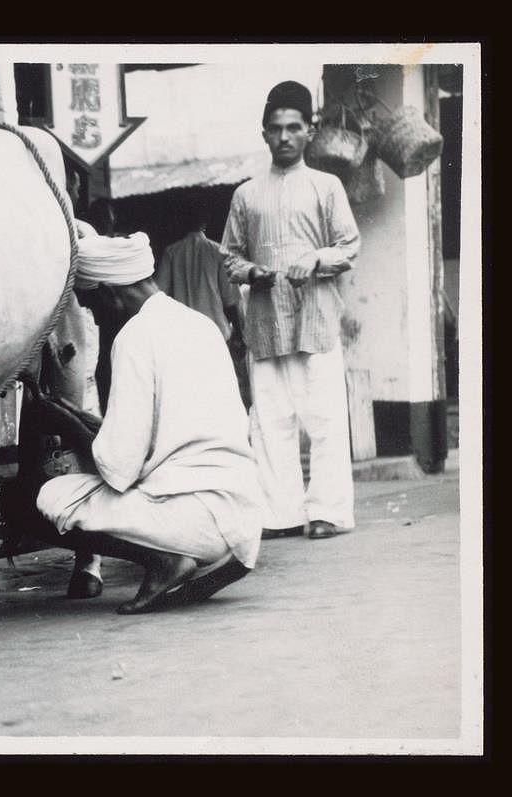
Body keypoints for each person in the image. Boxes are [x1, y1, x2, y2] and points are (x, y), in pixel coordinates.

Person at [35, 230, 264, 613]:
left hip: (196, 519)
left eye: (91, 306)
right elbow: (164, 432)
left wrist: (61, 420)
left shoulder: (134, 336)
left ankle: (166, 561)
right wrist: (74, 414)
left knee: (42, 500)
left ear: (110, 293)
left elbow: (120, 468)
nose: (92, 316)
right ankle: (205, 556)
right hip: (241, 516)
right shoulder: (200, 323)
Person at [221, 81, 361, 541]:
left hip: (316, 319)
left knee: (323, 420)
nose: (284, 137)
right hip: (266, 322)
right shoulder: (246, 195)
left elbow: (349, 246)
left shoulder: (327, 186)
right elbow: (229, 257)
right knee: (271, 422)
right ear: (264, 133)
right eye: (276, 128)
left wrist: (316, 258)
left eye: (294, 128)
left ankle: (327, 512)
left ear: (309, 132)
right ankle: (279, 513)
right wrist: (250, 273)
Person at [156, 198, 251, 407]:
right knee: (219, 393)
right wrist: (240, 334)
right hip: (216, 334)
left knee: (191, 394)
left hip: (182, 337)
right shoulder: (217, 252)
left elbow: (158, 296)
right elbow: (232, 301)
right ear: (205, 222)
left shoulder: (171, 252)